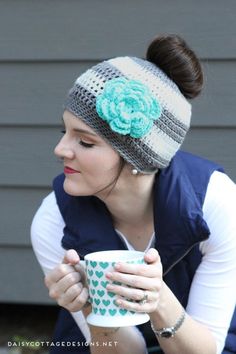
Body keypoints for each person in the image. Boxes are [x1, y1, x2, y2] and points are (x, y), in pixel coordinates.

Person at [31, 34, 236, 354]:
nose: (60, 150)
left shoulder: (216, 204)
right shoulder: (54, 218)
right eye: (64, 131)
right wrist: (89, 308)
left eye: (85, 141)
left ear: (140, 158)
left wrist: (160, 301)